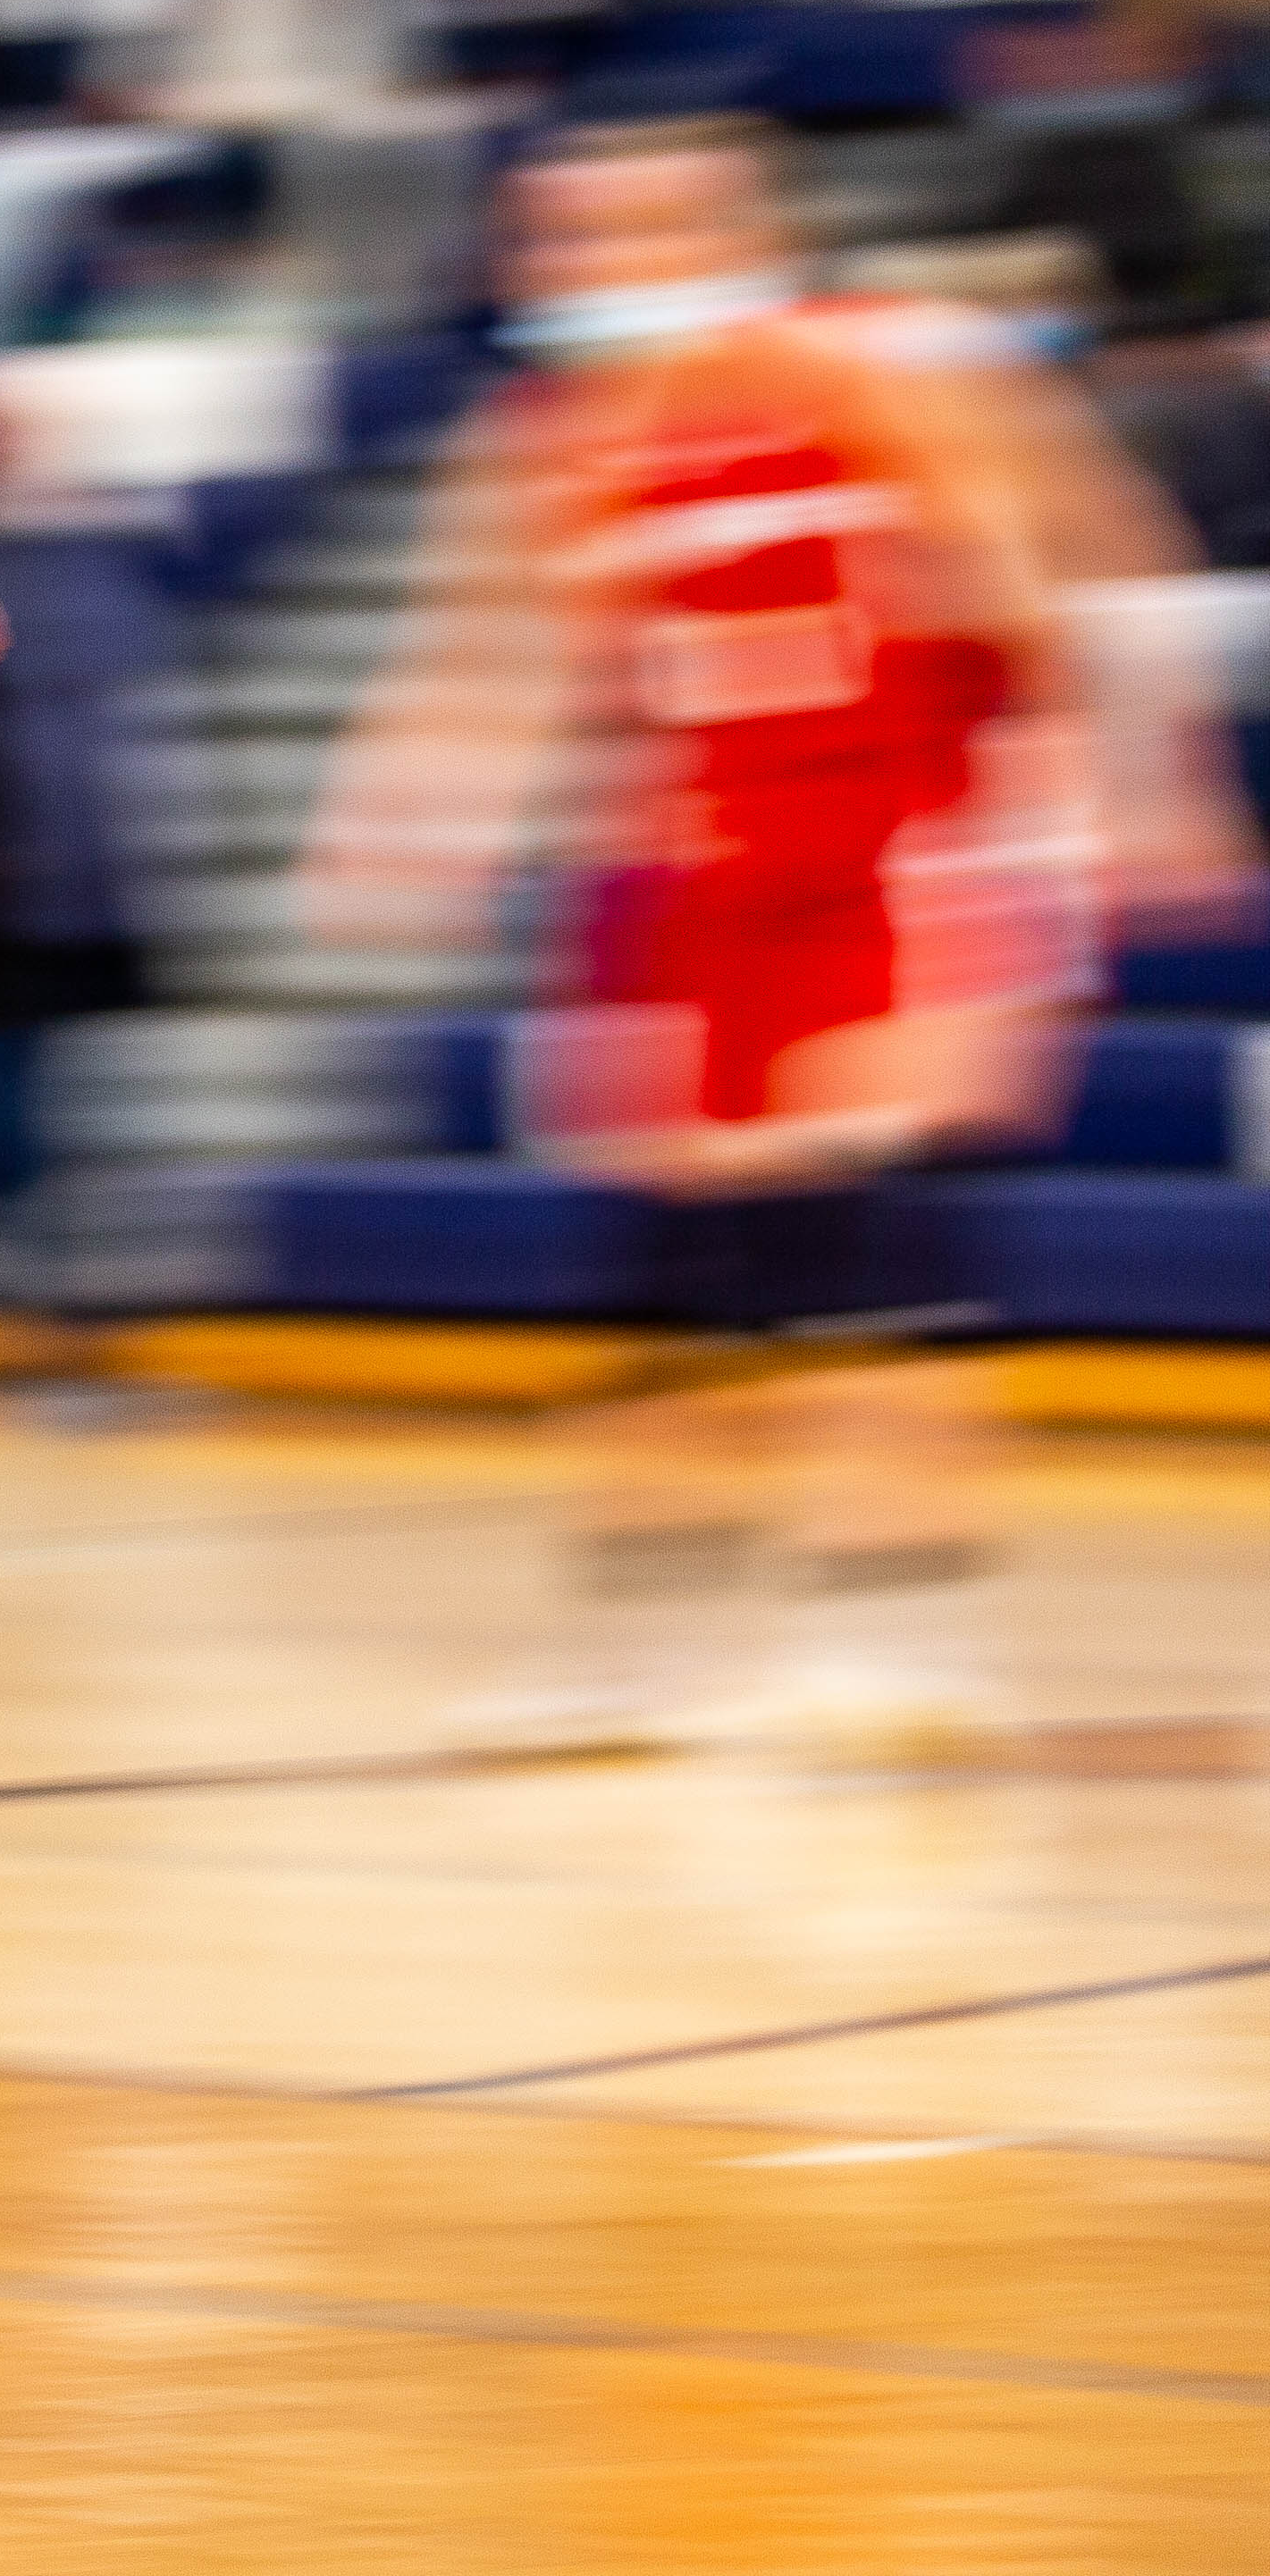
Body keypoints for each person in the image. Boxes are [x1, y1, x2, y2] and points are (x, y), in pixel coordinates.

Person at [307, 115, 1255, 1750]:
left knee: (870, 1253)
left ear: (734, 233)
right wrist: (412, 807)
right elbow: (487, 649)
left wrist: (1135, 788)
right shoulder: (549, 438)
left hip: (901, 849)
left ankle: (900, 1645)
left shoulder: (879, 372)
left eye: (629, 231)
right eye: (560, 238)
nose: (587, 269)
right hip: (685, 880)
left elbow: (1075, 561)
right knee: (670, 1281)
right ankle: (644, 1652)